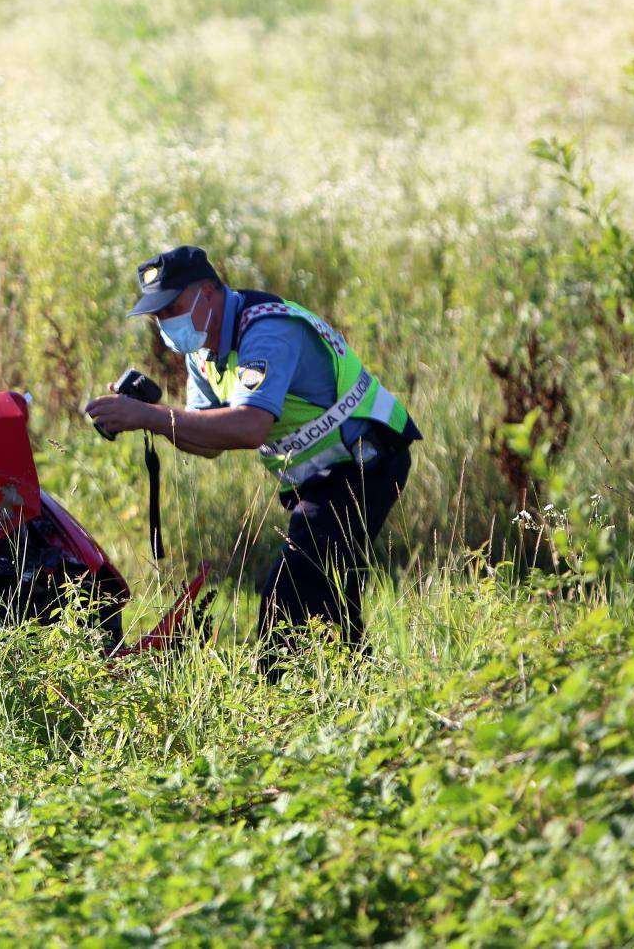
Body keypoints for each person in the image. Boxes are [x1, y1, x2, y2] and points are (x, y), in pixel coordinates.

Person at [84, 245, 420, 676]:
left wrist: (149, 416)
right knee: (329, 597)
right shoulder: (203, 350)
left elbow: (247, 428)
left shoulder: (267, 330)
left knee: (289, 593)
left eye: (172, 307)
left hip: (365, 460)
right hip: (321, 478)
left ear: (207, 292)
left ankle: (277, 703)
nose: (165, 322)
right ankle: (360, 696)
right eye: (156, 313)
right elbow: (209, 443)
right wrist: (152, 417)